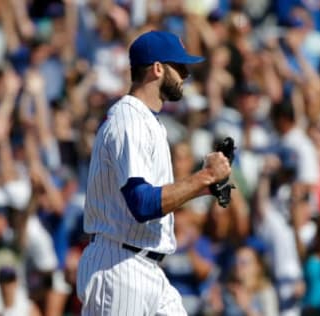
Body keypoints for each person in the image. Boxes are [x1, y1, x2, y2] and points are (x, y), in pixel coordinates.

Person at [76, 30, 232, 315]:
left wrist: (205, 187)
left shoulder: (149, 121)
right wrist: (204, 176)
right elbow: (142, 203)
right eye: (179, 66)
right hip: (119, 267)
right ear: (158, 68)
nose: (185, 74)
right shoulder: (129, 119)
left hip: (145, 267)